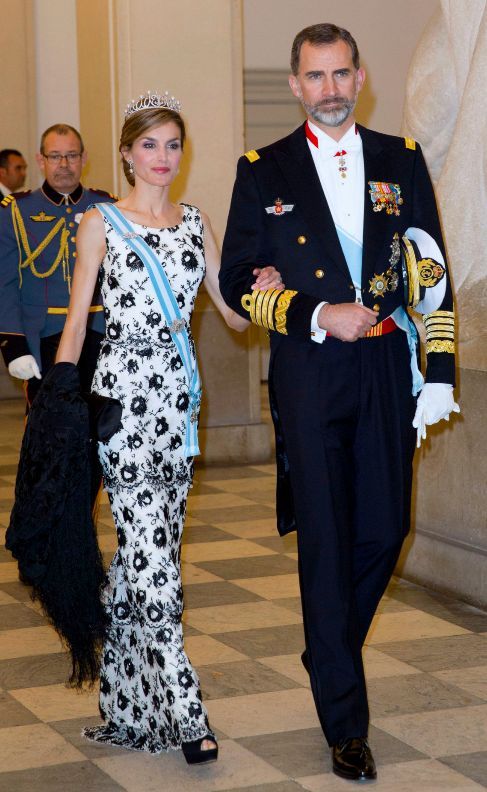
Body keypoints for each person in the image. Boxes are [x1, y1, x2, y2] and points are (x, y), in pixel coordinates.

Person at [219, 23, 459, 782]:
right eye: (314, 77)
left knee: (387, 527)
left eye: (340, 74)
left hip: (388, 361)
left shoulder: (401, 159)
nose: (328, 89)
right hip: (309, 370)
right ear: (295, 85)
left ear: (360, 79)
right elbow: (234, 282)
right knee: (326, 537)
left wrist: (440, 368)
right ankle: (344, 723)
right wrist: (316, 314)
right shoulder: (263, 169)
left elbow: (432, 270)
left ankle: (328, 645)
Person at [55, 92, 281, 762]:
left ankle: (125, 704)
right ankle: (187, 714)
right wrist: (59, 411)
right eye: (149, 145)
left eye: (173, 145)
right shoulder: (100, 223)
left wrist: (264, 282)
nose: (162, 159)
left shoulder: (195, 223)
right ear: (126, 153)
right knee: (157, 565)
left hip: (179, 409)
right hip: (121, 407)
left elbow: (234, 316)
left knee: (140, 557)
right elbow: (75, 320)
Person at [0, 125, 116, 406]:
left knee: (101, 425)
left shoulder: (108, 206)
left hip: (99, 332)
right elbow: (5, 284)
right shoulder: (15, 210)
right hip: (43, 336)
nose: (64, 164)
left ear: (84, 158)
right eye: (55, 156)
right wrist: (13, 346)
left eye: (71, 155)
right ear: (41, 161)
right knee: (51, 430)